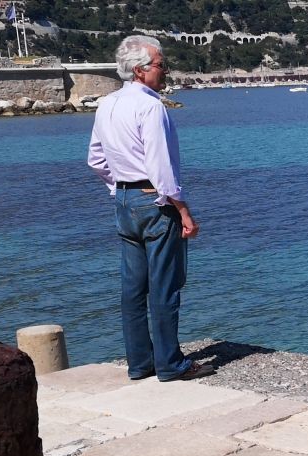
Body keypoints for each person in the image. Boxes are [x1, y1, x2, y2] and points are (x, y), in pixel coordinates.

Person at [87, 35, 213, 381]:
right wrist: (183, 210)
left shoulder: (107, 104)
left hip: (125, 202)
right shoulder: (151, 107)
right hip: (154, 201)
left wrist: (118, 188)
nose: (165, 71)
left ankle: (140, 363)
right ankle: (171, 363)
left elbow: (96, 159)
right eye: (160, 65)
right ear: (140, 70)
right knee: (165, 285)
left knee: (132, 288)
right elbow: (161, 168)